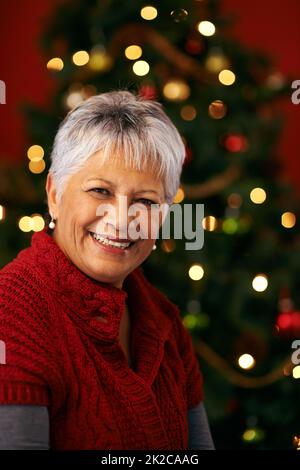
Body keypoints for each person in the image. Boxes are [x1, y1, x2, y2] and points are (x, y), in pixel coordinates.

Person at [0, 90, 214, 450]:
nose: (121, 219)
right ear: (55, 193)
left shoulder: (164, 320)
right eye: (100, 190)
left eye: (145, 200)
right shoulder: (11, 311)